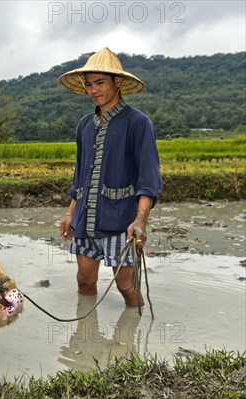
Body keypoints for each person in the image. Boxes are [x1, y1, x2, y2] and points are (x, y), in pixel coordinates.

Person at [58, 47, 163, 307]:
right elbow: (80, 176)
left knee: (126, 285)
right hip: (85, 219)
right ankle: (85, 334)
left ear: (118, 83)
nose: (93, 90)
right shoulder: (84, 125)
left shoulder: (137, 123)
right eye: (90, 84)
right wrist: (71, 214)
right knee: (84, 281)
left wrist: (140, 220)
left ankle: (133, 338)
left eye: (100, 83)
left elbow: (148, 179)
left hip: (120, 222)